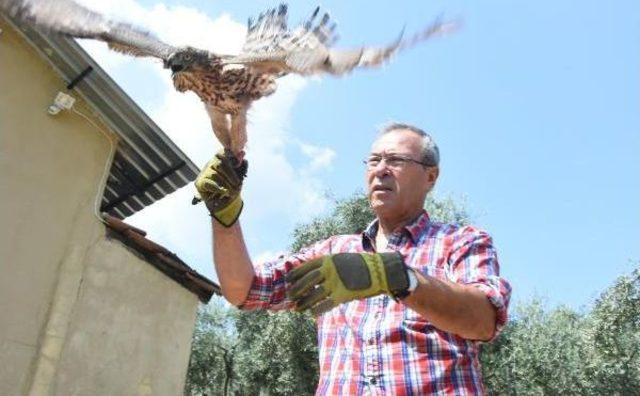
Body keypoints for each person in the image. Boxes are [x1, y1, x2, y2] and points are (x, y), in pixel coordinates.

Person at [195, 122, 512, 395]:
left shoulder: (461, 241)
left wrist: (394, 275)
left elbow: (482, 320)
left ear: (431, 177)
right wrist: (225, 218)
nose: (380, 169)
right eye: (373, 160)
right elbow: (244, 290)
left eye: (396, 160)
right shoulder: (333, 252)